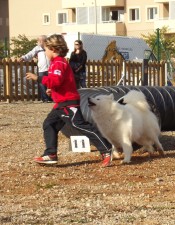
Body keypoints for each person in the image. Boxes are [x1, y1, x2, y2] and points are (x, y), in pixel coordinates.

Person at [26, 34, 112, 167]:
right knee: (49, 124)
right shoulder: (57, 63)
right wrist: (52, 91)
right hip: (61, 103)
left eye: (46, 49)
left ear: (53, 49)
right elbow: (62, 83)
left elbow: (56, 81)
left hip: (68, 102)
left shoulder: (59, 63)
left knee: (79, 125)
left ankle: (106, 150)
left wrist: (37, 78)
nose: (45, 52)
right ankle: (51, 154)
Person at [20, 35, 52, 102]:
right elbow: (31, 54)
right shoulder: (37, 48)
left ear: (45, 41)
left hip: (50, 68)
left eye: (41, 40)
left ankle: (51, 98)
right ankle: (45, 99)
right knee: (42, 84)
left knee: (51, 84)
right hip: (42, 69)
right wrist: (23, 57)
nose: (39, 42)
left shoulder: (49, 47)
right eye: (38, 40)